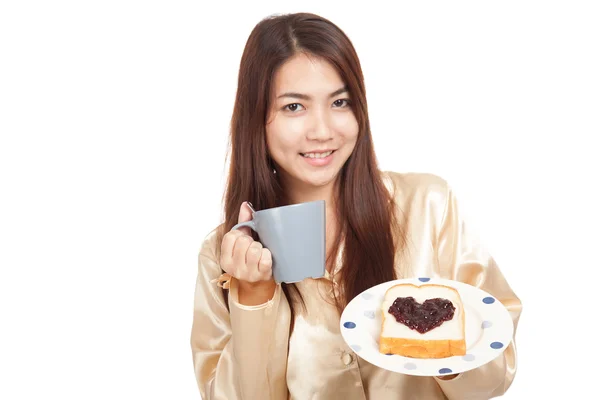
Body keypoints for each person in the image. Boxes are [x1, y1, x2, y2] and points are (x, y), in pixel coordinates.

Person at [190, 12, 522, 400]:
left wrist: (444, 354)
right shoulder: (224, 256)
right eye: (294, 107)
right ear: (256, 120)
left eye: (340, 102)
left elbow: (495, 375)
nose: (322, 130)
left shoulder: (429, 205)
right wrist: (253, 296)